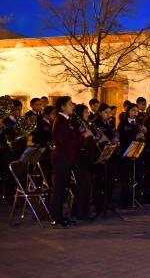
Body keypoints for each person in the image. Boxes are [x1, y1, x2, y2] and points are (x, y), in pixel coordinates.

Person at [50, 96, 92, 228]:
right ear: (62, 107)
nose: (73, 106)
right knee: (59, 189)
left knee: (64, 189)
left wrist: (80, 134)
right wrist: (83, 136)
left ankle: (61, 217)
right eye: (70, 104)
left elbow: (73, 139)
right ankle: (56, 219)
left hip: (68, 158)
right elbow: (67, 143)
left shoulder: (68, 120)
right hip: (61, 158)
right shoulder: (60, 121)